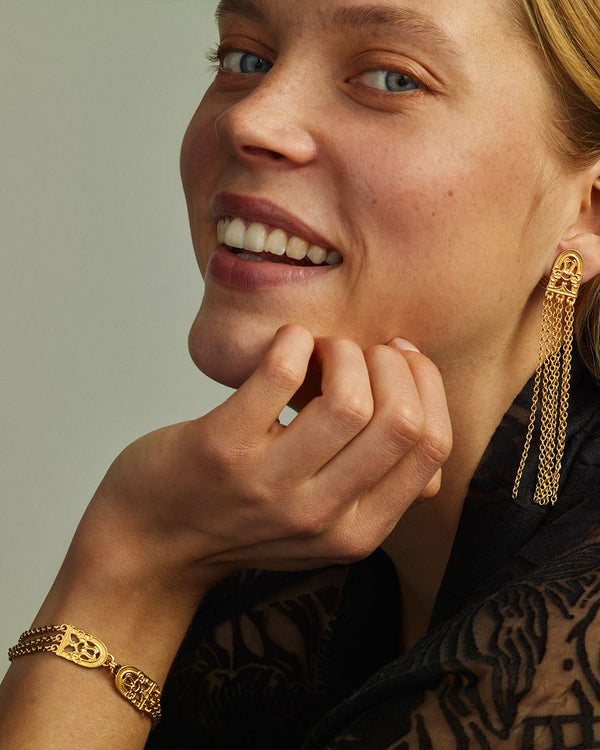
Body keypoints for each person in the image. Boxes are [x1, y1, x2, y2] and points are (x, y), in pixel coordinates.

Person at [2, 0, 600, 746]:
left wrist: (131, 561)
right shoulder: (273, 572)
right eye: (245, 58)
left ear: (589, 211)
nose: (248, 119)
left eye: (390, 77)